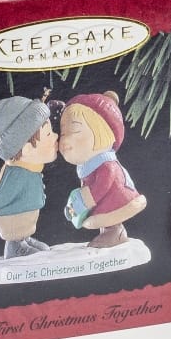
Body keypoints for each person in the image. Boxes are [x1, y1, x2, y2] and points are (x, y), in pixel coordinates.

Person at [58, 91, 147, 248]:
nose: (64, 140)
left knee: (110, 216)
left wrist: (87, 200)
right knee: (102, 217)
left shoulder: (106, 165)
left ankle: (115, 232)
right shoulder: (87, 166)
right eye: (63, 133)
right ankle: (110, 231)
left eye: (75, 131)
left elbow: (102, 185)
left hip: (115, 199)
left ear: (101, 132)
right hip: (100, 201)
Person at [0, 96, 59, 259]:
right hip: (12, 219)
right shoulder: (18, 174)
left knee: (23, 231)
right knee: (16, 232)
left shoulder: (30, 169)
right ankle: (15, 247)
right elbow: (3, 195)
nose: (56, 136)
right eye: (48, 134)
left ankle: (24, 240)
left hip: (23, 217)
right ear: (27, 149)